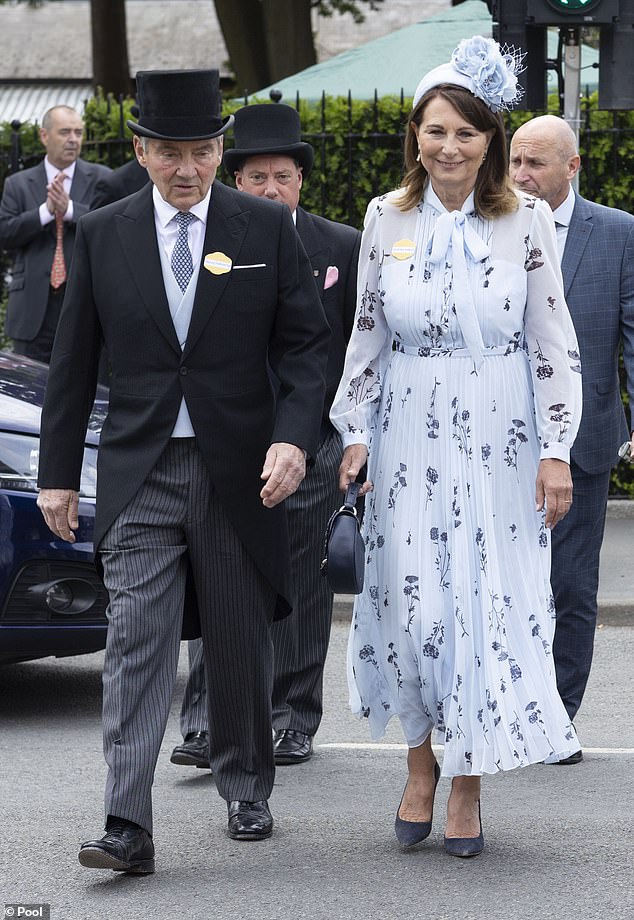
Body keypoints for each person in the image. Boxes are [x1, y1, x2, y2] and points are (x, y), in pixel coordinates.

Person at [36, 69, 329, 874]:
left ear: (220, 149)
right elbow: (72, 363)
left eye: (202, 150)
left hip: (240, 472)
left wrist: (294, 438)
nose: (188, 168)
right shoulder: (104, 231)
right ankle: (126, 820)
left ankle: (245, 782)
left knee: (236, 639)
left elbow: (306, 348)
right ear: (141, 151)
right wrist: (57, 473)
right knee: (136, 642)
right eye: (170, 152)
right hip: (140, 471)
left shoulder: (265, 228)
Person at [329, 36, 583, 858]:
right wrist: (356, 432)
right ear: (416, 135)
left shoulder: (528, 219)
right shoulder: (384, 216)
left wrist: (556, 448)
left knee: (483, 605)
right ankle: (419, 765)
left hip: (499, 434)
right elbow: (366, 335)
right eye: (435, 131)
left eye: (466, 133)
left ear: (490, 143)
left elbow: (553, 343)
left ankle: (468, 780)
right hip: (408, 433)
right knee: (413, 602)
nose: (449, 147)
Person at [170, 103, 361, 770]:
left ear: (302, 180)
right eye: (257, 177)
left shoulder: (341, 246)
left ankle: (292, 715)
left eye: (284, 175)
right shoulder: (210, 245)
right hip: (228, 437)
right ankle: (205, 721)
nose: (272, 188)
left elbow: (354, 353)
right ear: (236, 180)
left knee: (305, 585)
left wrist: (349, 441)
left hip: (312, 440)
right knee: (214, 576)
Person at [509, 115, 634, 763]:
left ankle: (556, 716)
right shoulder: (488, 227)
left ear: (572, 167)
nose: (521, 175)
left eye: (535, 164)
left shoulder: (617, 234)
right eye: (515, 162)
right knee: (505, 583)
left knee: (571, 586)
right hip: (500, 442)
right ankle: (506, 704)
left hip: (582, 445)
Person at [0, 105, 111, 362]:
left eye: (78, 132)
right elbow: (5, 235)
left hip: (85, 305)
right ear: (44, 135)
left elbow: (111, 232)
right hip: (32, 311)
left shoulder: (102, 179)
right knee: (29, 396)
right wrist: (45, 212)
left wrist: (69, 210)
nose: (73, 139)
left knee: (85, 392)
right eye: (65, 132)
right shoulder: (17, 184)